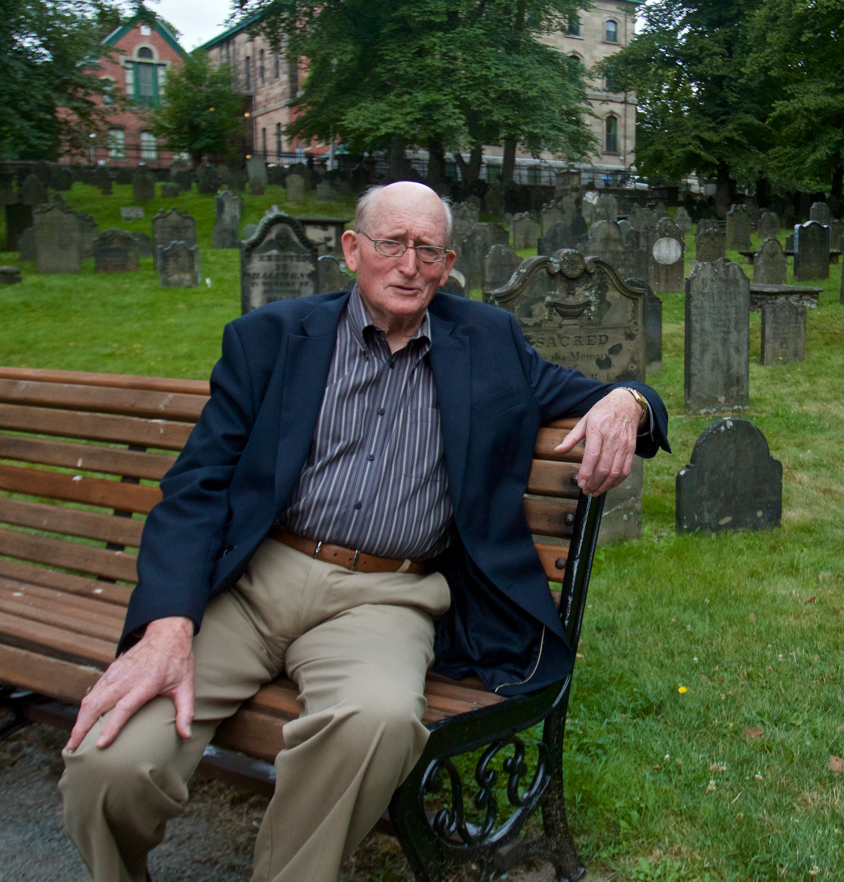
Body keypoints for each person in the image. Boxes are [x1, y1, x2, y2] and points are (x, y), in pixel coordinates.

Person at [59, 181, 669, 882]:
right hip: (256, 583)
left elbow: (605, 395)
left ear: (447, 263)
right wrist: (167, 625)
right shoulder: (271, 340)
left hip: (385, 598)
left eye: (428, 249)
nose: (409, 265)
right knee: (108, 762)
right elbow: (195, 488)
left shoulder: (487, 342)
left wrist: (628, 401)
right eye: (392, 243)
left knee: (376, 722)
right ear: (353, 250)